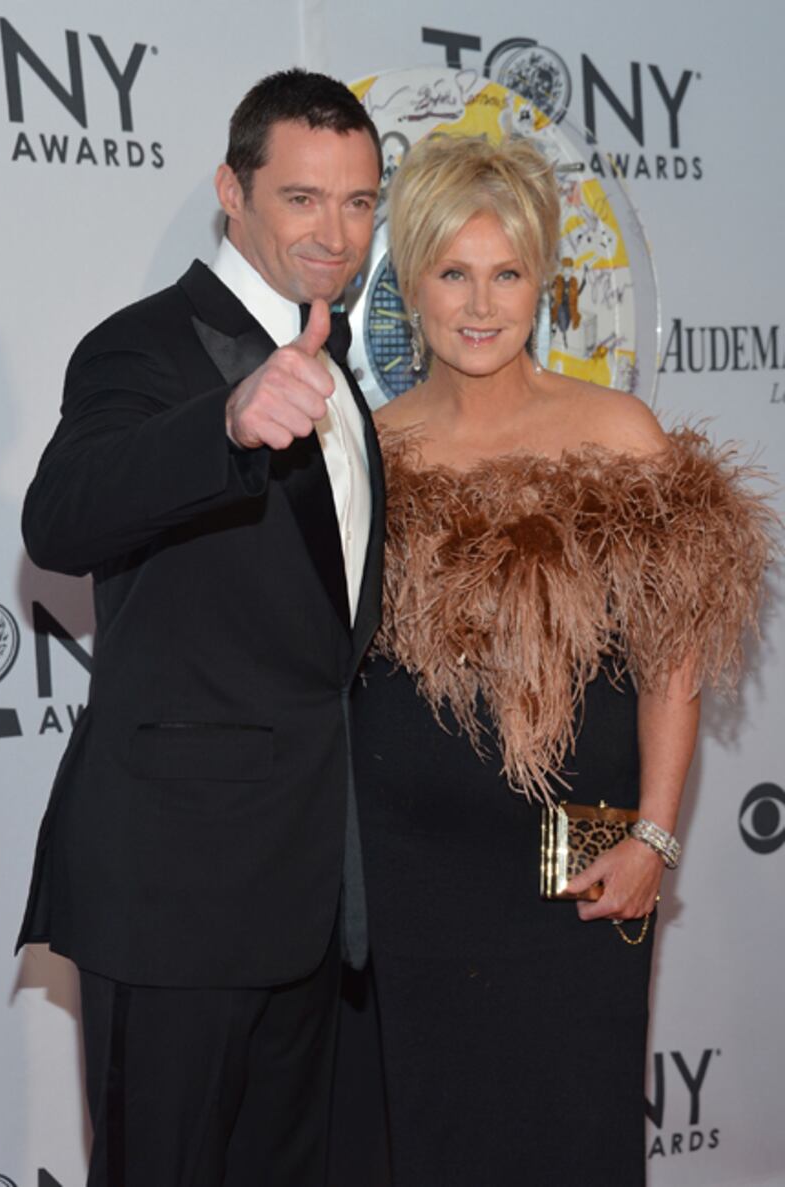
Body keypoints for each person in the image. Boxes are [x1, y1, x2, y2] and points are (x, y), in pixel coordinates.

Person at [341, 136, 775, 1186]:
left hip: (570, 868)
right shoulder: (367, 446)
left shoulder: (614, 431)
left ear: (544, 281)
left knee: (570, 1136)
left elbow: (673, 653)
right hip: (406, 876)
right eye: (452, 271)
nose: (479, 303)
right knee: (421, 1141)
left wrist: (654, 836)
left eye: (506, 272)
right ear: (410, 284)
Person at [16, 68, 384, 1187]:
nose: (336, 230)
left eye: (360, 201)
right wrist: (222, 423)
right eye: (302, 198)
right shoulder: (146, 346)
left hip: (312, 890)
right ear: (232, 190)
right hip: (177, 892)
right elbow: (63, 514)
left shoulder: (338, 366)